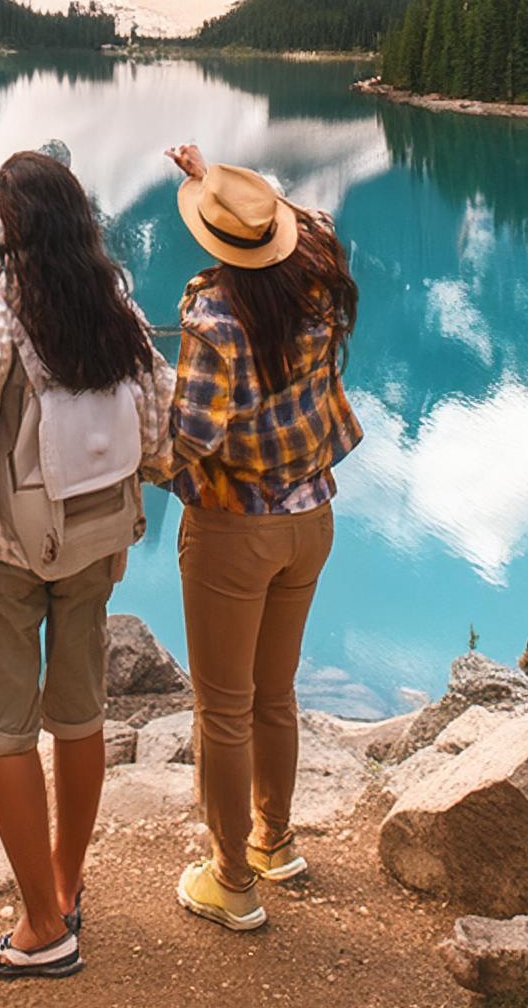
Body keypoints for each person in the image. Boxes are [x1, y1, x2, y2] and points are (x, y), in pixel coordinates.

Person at [0, 147, 176, 980]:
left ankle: (43, 927)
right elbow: (159, 424)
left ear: (8, 227)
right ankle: (65, 882)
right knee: (80, 712)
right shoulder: (117, 304)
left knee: (4, 728)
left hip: (4, 544)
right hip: (97, 539)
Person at [162, 145, 362, 934]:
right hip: (312, 519)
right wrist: (214, 181)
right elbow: (308, 221)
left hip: (234, 530)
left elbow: (190, 438)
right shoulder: (318, 277)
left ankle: (231, 882)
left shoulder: (216, 322)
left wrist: (126, 453)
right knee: (274, 695)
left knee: (222, 710)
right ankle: (275, 843)